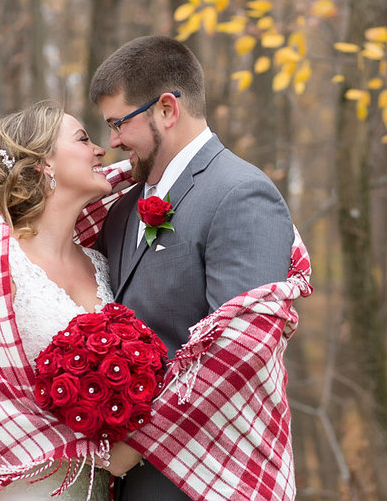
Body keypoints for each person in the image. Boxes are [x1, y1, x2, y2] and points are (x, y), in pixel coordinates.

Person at [90, 36, 297, 500]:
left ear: (166, 109)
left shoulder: (242, 193)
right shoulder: (121, 208)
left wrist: (135, 446)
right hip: (124, 482)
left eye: (119, 123)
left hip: (209, 477)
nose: (113, 141)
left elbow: (240, 356)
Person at [0, 101, 136, 500]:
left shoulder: (101, 263)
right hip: (24, 485)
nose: (100, 150)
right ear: (44, 164)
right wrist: (103, 453)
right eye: (83, 139)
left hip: (95, 489)